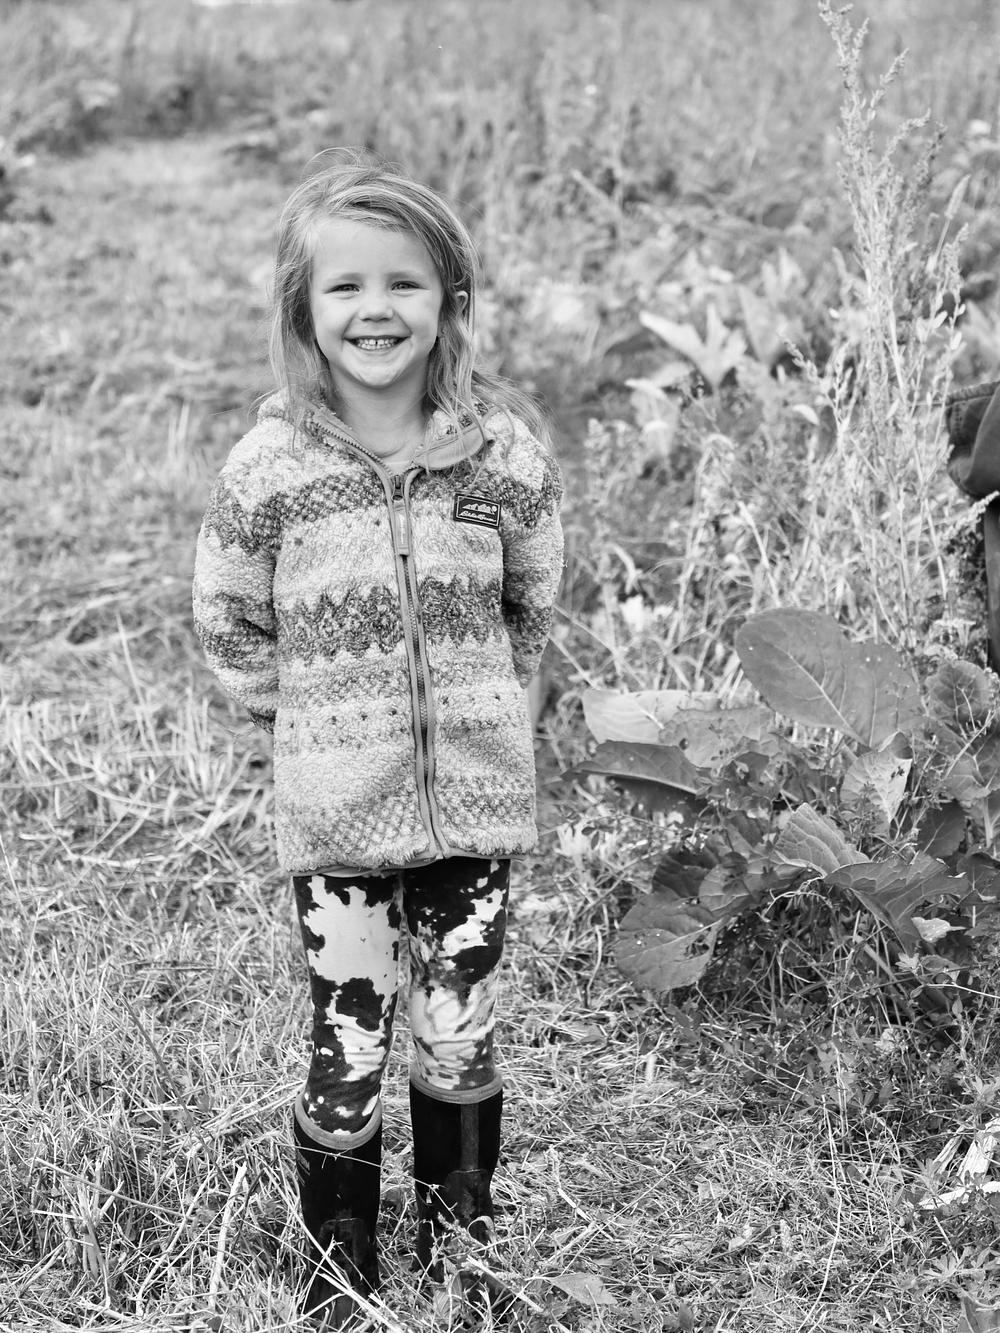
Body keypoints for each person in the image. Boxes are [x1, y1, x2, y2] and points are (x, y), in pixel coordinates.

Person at [192, 150, 564, 1328]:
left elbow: (529, 605)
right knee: (349, 1032)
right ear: (303, 309)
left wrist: (488, 706)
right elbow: (227, 619)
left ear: (449, 299)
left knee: (458, 1024)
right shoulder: (271, 468)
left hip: (473, 808)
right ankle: (341, 1252)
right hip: (338, 811)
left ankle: (460, 1232)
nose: (376, 309)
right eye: (345, 286)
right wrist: (301, 727)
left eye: (403, 283)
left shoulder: (499, 455)